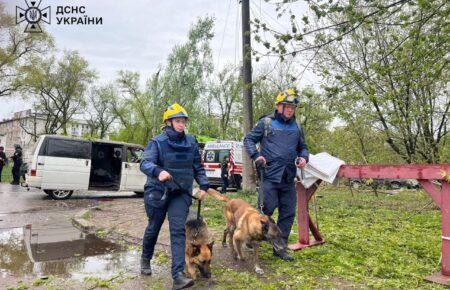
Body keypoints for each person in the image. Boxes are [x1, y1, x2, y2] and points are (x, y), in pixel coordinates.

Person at [139, 103, 209, 290]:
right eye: (178, 121)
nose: (181, 125)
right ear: (168, 122)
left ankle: (178, 276)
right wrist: (157, 171)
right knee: (153, 228)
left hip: (180, 193)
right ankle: (145, 259)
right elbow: (145, 163)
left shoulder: (191, 142)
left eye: (183, 121)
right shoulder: (157, 142)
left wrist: (204, 186)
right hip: (158, 192)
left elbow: (198, 167)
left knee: (178, 231)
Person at [243, 88, 309, 261]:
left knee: (287, 213)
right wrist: (256, 156)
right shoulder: (266, 123)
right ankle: (251, 237)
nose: (290, 110)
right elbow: (248, 140)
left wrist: (303, 157)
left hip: (288, 177)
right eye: (287, 106)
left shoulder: (297, 126)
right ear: (278, 106)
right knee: (266, 211)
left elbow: (303, 147)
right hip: (269, 176)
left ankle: (279, 247)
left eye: (293, 107)